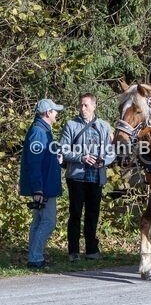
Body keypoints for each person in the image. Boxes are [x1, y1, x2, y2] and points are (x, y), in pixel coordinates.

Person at [59, 93, 116, 260]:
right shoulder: (71, 125)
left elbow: (111, 151)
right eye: (81, 105)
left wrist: (103, 161)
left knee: (93, 214)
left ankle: (91, 250)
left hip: (96, 176)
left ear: (94, 106)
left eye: (86, 105)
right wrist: (81, 157)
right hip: (76, 176)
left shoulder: (104, 126)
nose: (82, 108)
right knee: (75, 213)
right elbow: (63, 150)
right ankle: (73, 251)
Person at [19, 99, 65, 269]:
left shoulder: (42, 130)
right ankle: (35, 258)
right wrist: (38, 189)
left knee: (38, 221)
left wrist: (56, 158)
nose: (56, 114)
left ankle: (34, 257)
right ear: (47, 113)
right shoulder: (39, 132)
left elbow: (43, 158)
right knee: (48, 222)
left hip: (44, 186)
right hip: (44, 188)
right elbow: (34, 163)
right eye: (55, 111)